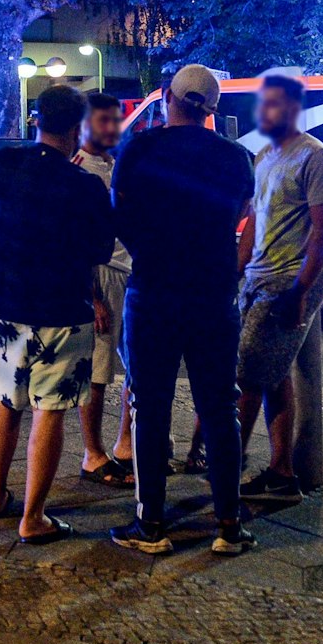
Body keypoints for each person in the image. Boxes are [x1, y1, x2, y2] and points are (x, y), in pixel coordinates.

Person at [111, 63, 255, 557]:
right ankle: (228, 524)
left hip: (153, 289)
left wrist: (150, 248)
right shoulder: (236, 158)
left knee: (149, 406)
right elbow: (240, 213)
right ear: (212, 110)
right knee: (219, 407)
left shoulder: (141, 149)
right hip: (213, 292)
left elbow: (120, 214)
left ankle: (151, 524)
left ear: (169, 99)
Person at [0, 82, 114, 545]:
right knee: (50, 410)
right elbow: (100, 248)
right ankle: (33, 517)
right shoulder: (84, 185)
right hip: (60, 308)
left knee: (6, 401)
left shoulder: (3, 165)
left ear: (35, 119)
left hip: (4, 304)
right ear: (77, 129)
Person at [235, 71, 323, 507]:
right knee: (273, 376)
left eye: (276, 103)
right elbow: (255, 222)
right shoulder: (264, 156)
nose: (266, 111)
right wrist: (234, 271)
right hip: (257, 278)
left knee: (243, 376)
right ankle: (282, 471)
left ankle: (227, 462)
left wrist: (301, 290)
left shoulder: (315, 159)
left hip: (287, 282)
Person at [75, 91, 135, 485]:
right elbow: (75, 237)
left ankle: (125, 443)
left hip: (131, 272)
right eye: (104, 120)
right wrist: (92, 297)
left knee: (138, 363)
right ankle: (92, 452)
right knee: (98, 372)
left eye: (116, 120)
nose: (113, 128)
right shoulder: (79, 169)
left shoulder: (113, 164)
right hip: (103, 273)